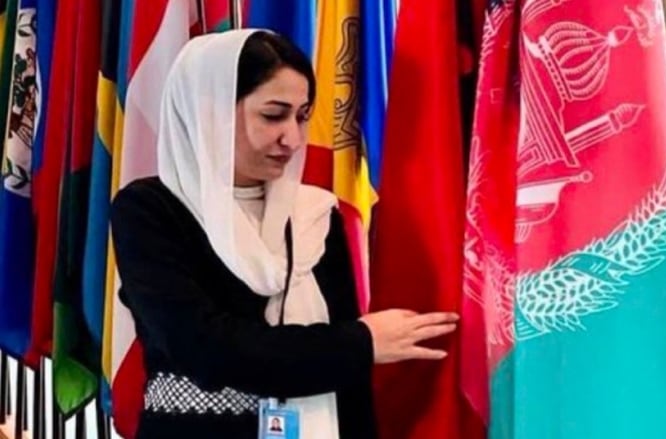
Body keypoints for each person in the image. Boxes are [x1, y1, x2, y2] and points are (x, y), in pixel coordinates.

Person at [110, 29, 459, 439]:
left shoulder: (315, 214)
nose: (292, 138)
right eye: (273, 115)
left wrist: (354, 350)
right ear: (212, 112)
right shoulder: (152, 208)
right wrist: (360, 344)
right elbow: (204, 347)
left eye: (302, 116)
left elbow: (348, 384)